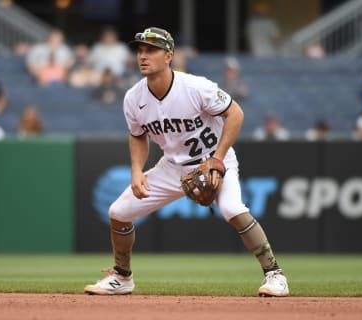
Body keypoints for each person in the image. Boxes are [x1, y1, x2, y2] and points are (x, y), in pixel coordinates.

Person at [84, 27, 289, 297]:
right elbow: (137, 137)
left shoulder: (195, 86)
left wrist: (217, 160)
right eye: (141, 50)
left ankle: (275, 275)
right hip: (172, 167)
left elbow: (235, 113)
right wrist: (136, 172)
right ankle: (122, 277)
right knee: (119, 213)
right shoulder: (133, 98)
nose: (143, 56)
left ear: (169, 55)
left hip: (214, 160)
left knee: (231, 208)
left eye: (151, 50)